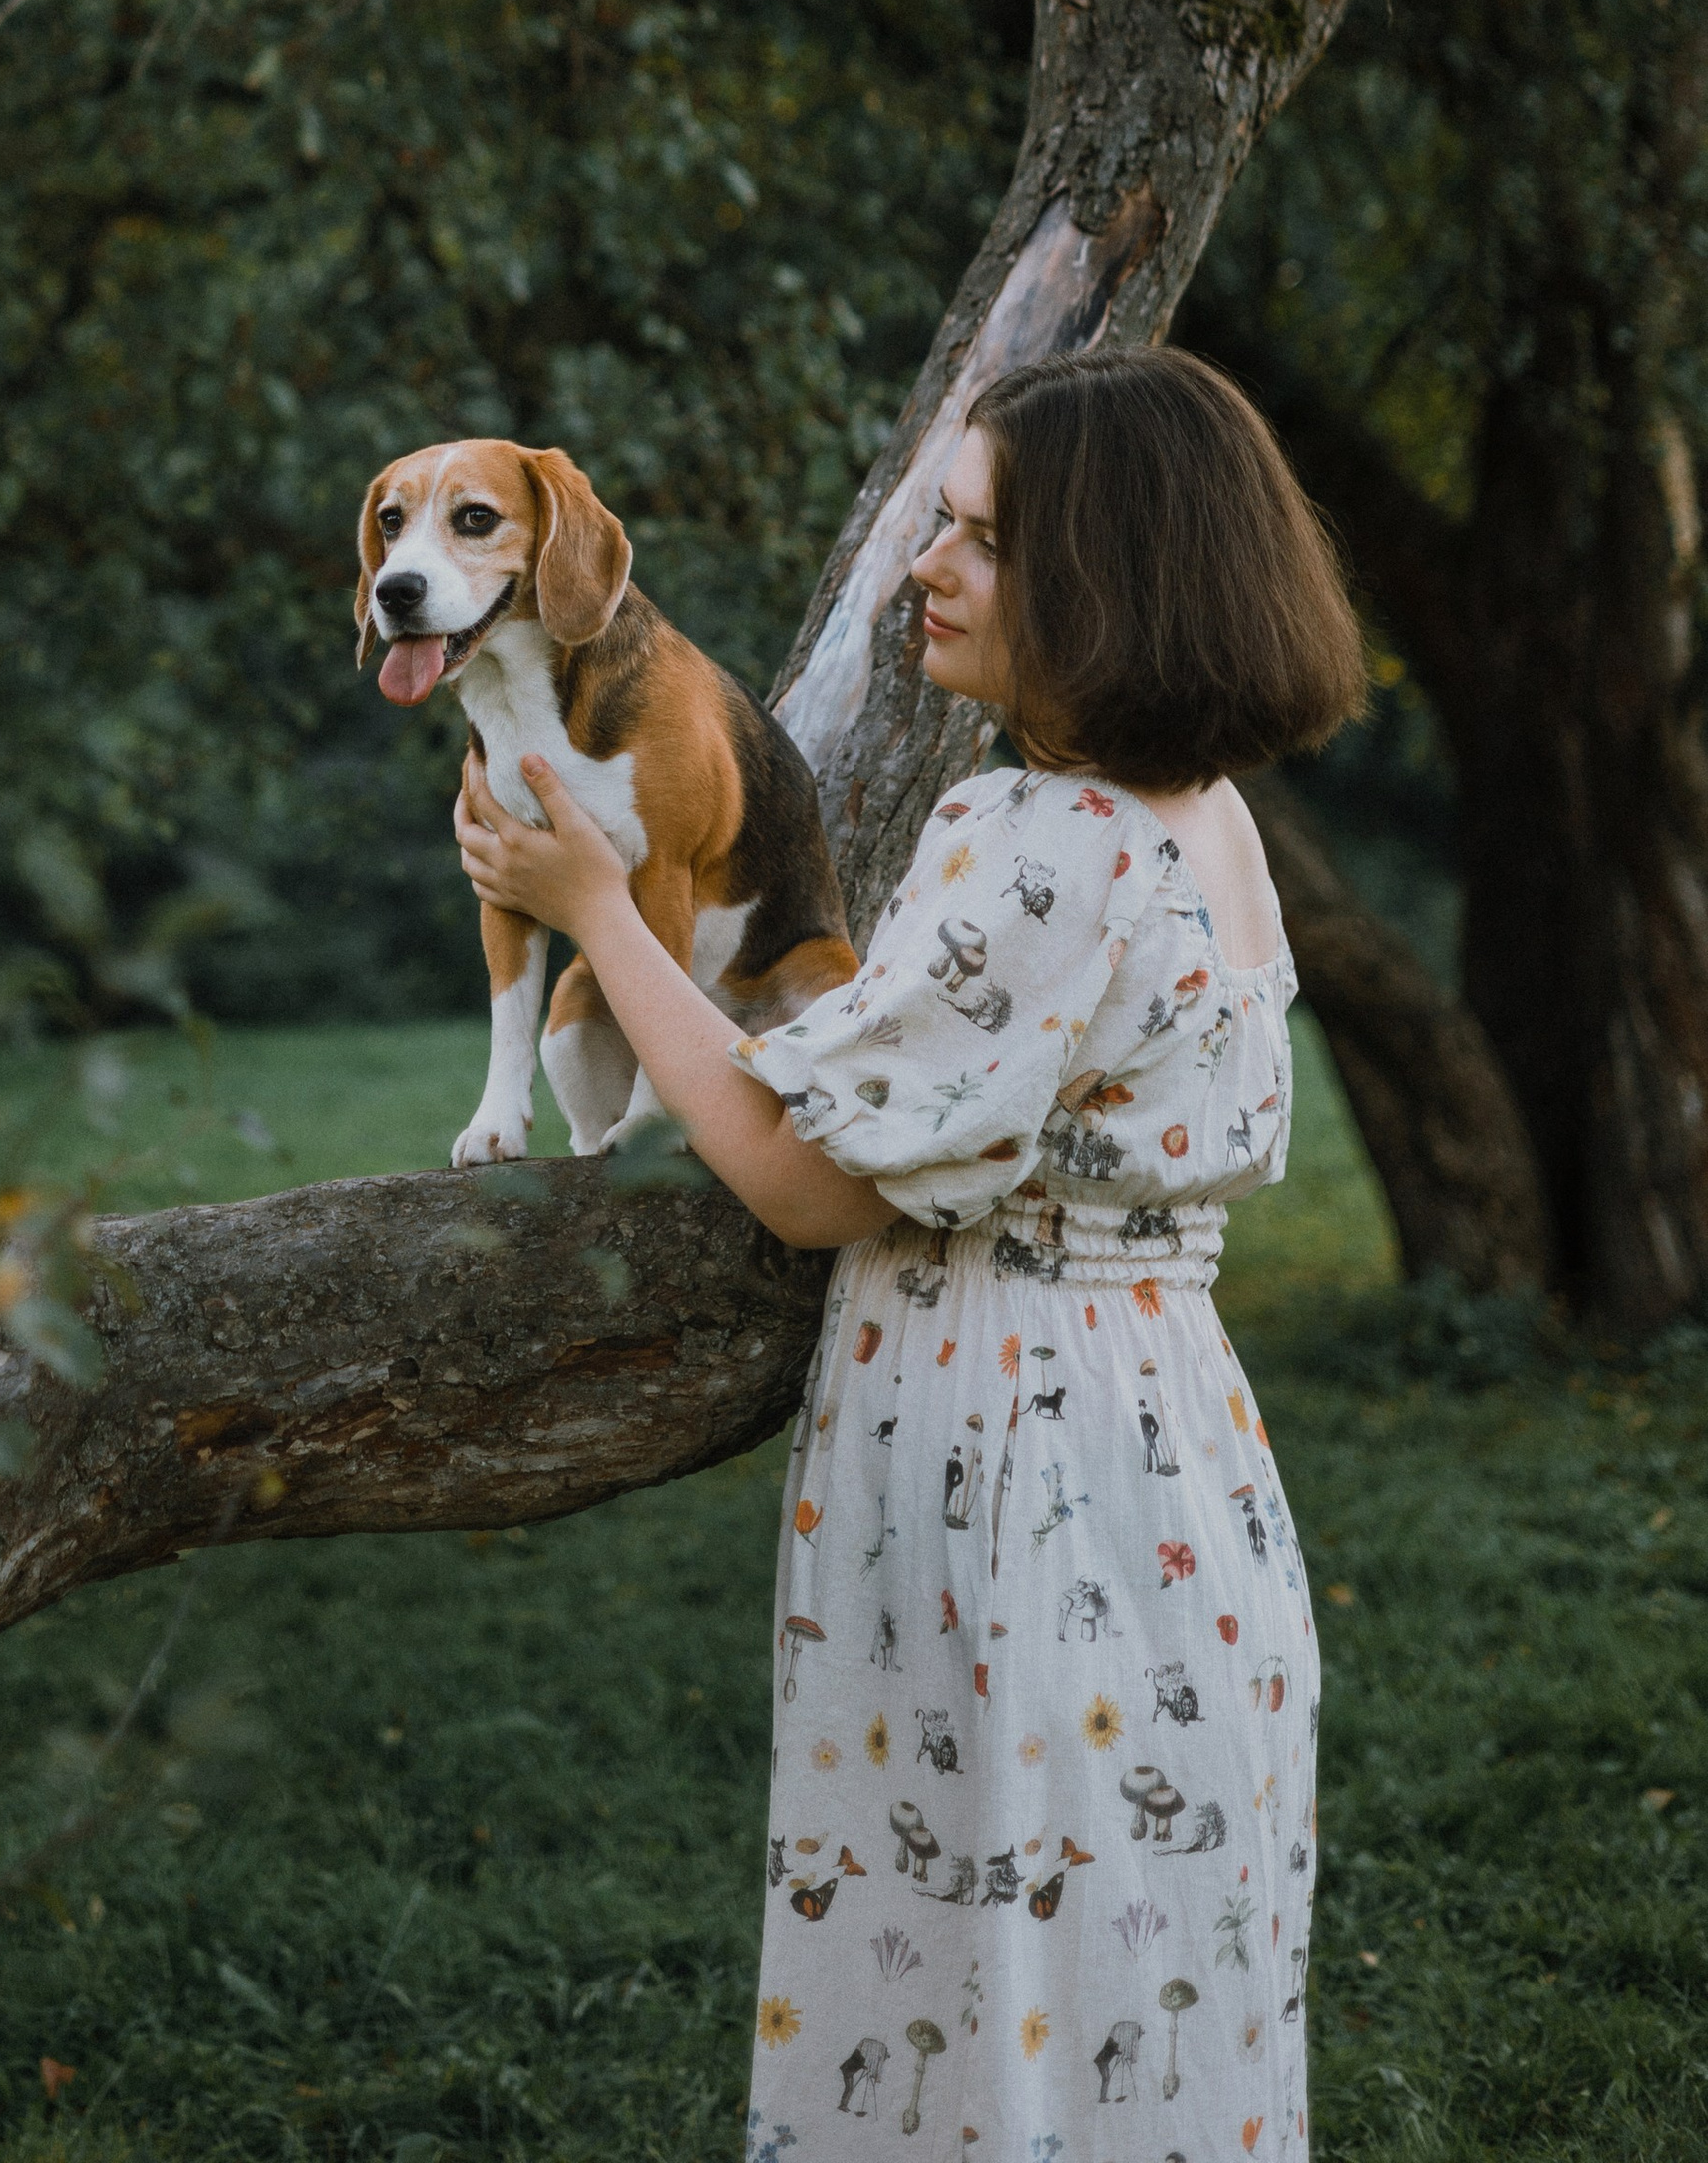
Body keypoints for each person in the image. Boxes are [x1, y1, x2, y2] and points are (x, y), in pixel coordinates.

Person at [454, 345, 1362, 2162]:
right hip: (1180, 1452)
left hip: (1004, 1458)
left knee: (967, 1956)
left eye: (977, 539)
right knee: (1147, 1959)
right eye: (935, 525)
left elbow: (801, 1178)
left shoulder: (1038, 839)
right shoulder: (1214, 825)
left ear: (1117, 578)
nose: (924, 572)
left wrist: (589, 912)